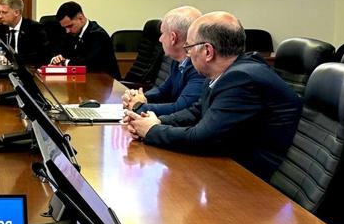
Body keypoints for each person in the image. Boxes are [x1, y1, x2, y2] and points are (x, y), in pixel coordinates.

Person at [125, 11, 303, 182]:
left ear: (208, 52)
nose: (188, 54)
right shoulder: (226, 72)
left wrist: (152, 130)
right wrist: (150, 121)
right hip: (229, 165)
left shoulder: (241, 79)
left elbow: (202, 138)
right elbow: (196, 111)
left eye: (189, 48)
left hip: (251, 182)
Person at [122, 6, 206, 116]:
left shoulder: (199, 68)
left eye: (162, 33)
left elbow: (180, 108)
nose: (160, 39)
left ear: (173, 38)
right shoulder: (178, 60)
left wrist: (138, 106)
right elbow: (163, 91)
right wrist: (139, 97)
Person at [50, 1, 119, 77]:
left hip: (104, 80)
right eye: (65, 27)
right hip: (83, 79)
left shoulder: (98, 35)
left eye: (70, 26)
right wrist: (57, 59)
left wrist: (64, 62)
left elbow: (87, 64)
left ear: (81, 18)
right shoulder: (71, 33)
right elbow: (61, 51)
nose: (67, 31)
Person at [0, 0, 49, 66]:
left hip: (28, 71)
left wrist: (9, 60)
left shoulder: (34, 28)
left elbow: (44, 56)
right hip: (4, 71)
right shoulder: (0, 28)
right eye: (0, 12)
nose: (0, 16)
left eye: (4, 12)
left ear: (16, 12)